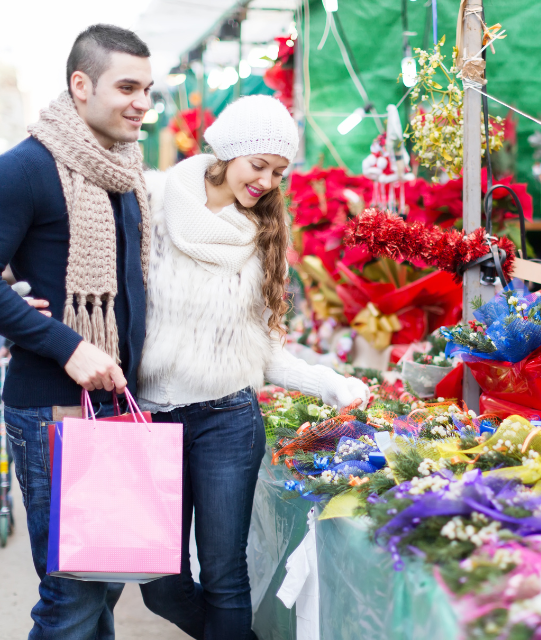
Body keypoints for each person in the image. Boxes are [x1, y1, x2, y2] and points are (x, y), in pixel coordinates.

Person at [136, 95, 369, 639]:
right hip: (152, 422)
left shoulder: (264, 236)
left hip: (227, 420)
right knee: (159, 581)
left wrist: (332, 384)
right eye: (258, 165)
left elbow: (263, 351)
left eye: (278, 172)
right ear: (227, 152)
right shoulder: (154, 203)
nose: (266, 181)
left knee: (223, 574)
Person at [0, 24, 153, 640]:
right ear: (81, 85)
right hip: (50, 408)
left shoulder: (125, 173)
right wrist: (70, 345)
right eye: (126, 86)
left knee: (100, 584)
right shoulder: (27, 168)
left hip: (112, 405)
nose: (142, 102)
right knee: (72, 595)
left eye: (147, 88)